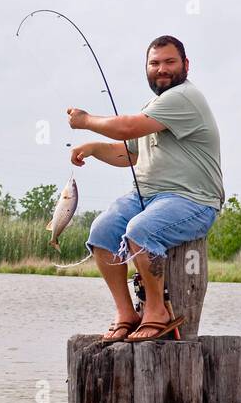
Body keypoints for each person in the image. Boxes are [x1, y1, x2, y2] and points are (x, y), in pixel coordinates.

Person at [67, 34, 223, 342]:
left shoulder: (185, 98)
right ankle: (126, 313)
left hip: (194, 201)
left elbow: (127, 127)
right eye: (155, 63)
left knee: (141, 230)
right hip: (148, 197)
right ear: (146, 68)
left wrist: (86, 121)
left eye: (169, 62)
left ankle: (157, 312)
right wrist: (96, 148)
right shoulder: (154, 105)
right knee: (102, 231)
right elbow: (132, 154)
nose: (161, 69)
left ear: (186, 65)